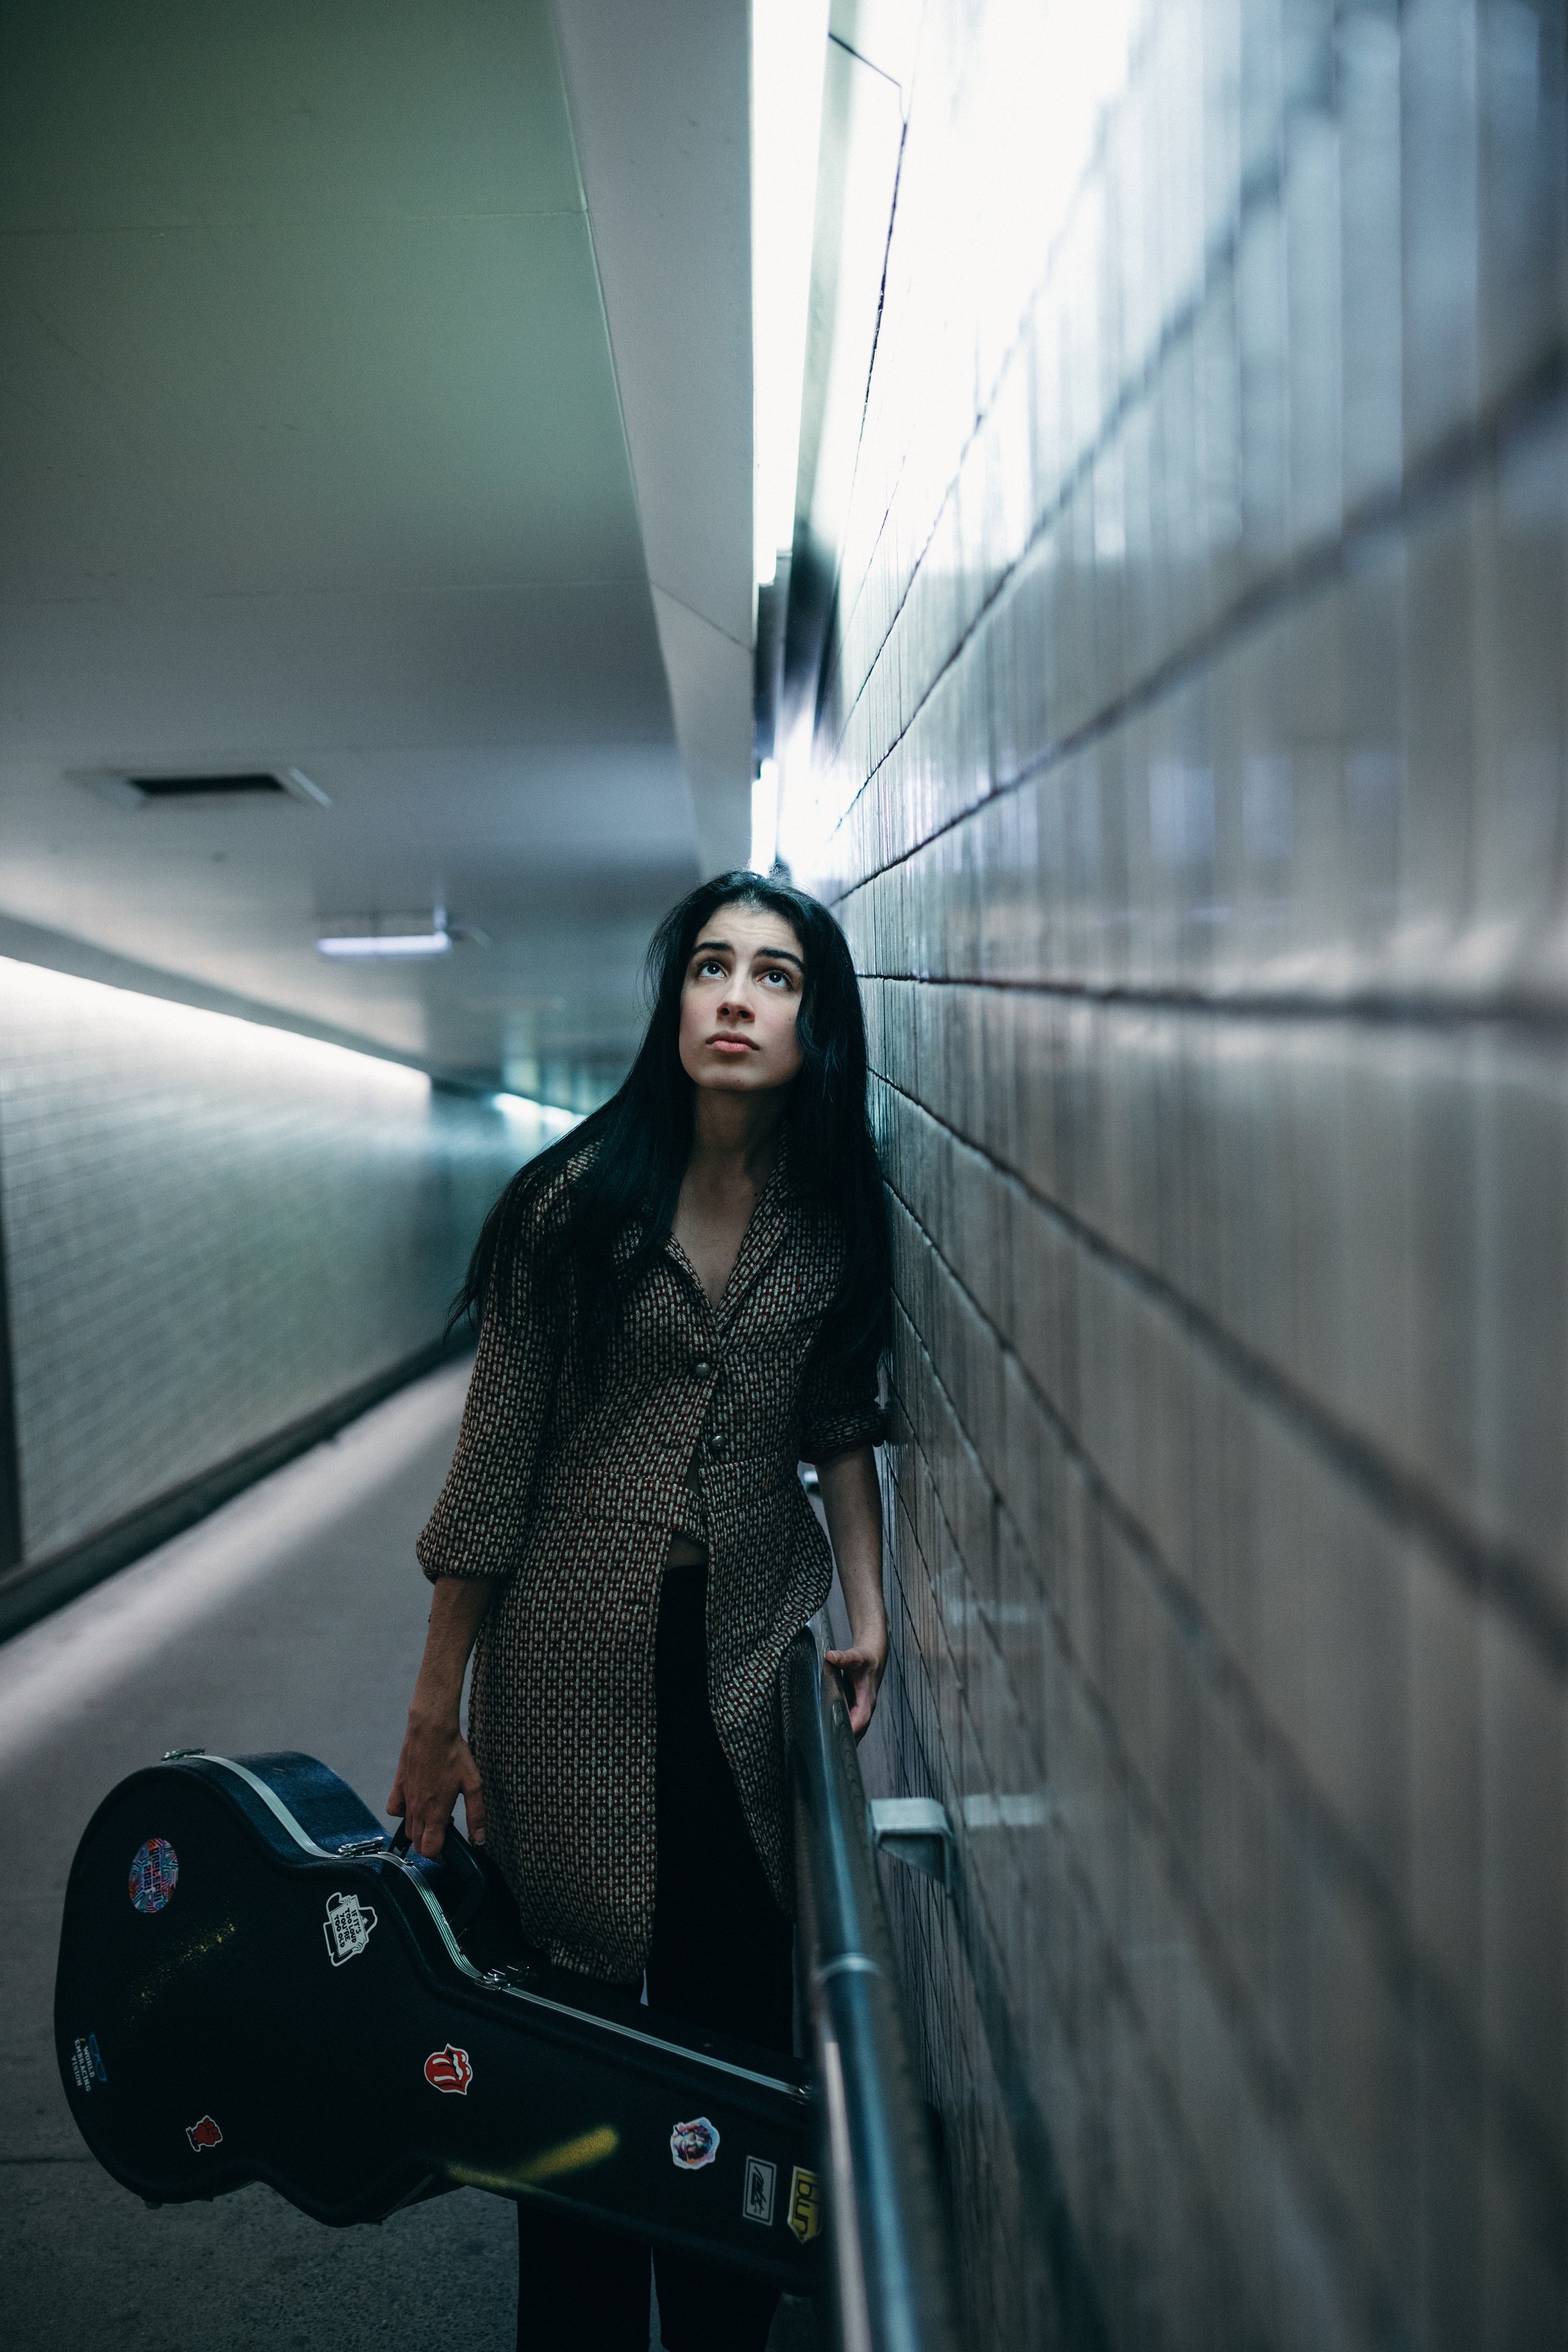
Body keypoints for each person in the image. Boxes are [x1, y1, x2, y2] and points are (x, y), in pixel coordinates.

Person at [388, 871, 891, 2352]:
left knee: (730, 2062)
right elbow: (490, 1477)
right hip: (562, 1675)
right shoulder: (573, 1206)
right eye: (712, 969)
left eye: (775, 977)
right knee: (577, 2062)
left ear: (814, 1022)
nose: (736, 997)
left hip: (740, 1671)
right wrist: (434, 1716)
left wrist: (866, 1607)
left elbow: (844, 1423)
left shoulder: (832, 1209)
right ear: (673, 1000)